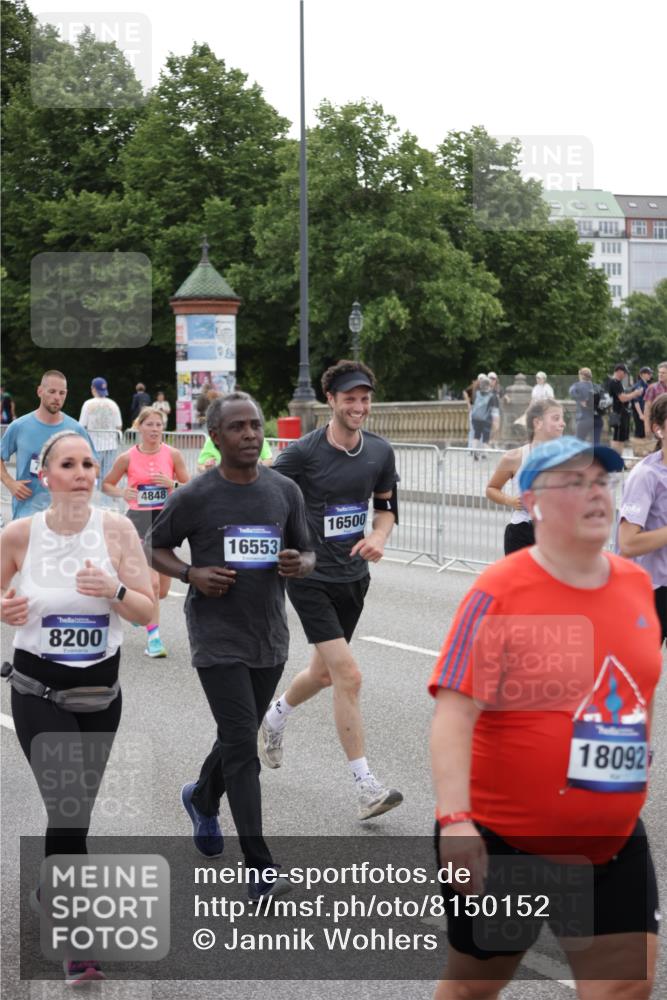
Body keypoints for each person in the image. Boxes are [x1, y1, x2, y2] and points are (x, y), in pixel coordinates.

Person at [430, 436, 661, 1000]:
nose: (595, 494)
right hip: (507, 843)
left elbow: (636, 688)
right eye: (574, 483)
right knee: (473, 989)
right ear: (531, 501)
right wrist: (456, 822)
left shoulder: (634, 585)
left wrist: (633, 763)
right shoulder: (499, 591)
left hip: (609, 841)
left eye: (601, 481)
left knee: (626, 986)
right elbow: (454, 713)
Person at [147, 392, 314, 899]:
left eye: (255, 426)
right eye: (237, 427)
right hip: (216, 638)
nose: (249, 434)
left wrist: (298, 565)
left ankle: (200, 797)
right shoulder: (195, 496)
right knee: (244, 749)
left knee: (236, 734)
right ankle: (260, 868)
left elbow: (308, 551)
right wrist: (191, 573)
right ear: (215, 438)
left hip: (269, 636)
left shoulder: (284, 491)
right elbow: (154, 547)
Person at [0, 430, 153, 985]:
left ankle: (50, 887)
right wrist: (5, 608)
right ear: (46, 476)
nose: (84, 472)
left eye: (90, 462)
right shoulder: (19, 535)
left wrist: (113, 590)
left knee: (76, 813)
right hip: (38, 693)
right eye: (70, 463)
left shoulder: (116, 531)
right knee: (68, 809)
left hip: (100, 696)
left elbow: (146, 612)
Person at [258, 360, 402, 820]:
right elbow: (264, 491)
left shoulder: (380, 452)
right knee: (348, 675)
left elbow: (386, 509)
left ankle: (275, 715)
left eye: (365, 399)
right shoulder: (303, 453)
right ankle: (365, 786)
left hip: (353, 577)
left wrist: (378, 537)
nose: (359, 407)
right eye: (350, 399)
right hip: (310, 577)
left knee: (322, 674)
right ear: (332, 401)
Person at [102, 408, 189, 657]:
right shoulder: (127, 457)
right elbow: (107, 484)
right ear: (139, 427)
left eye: (158, 425)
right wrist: (122, 492)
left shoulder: (173, 454)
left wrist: (171, 484)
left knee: (160, 590)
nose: (154, 429)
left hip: (165, 521)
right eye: (149, 424)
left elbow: (190, 487)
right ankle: (154, 640)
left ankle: (139, 609)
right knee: (150, 582)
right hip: (138, 521)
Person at [0, 370, 95, 520]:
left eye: (62, 393)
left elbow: (93, 465)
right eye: (52, 391)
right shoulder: (19, 426)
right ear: (40, 391)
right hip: (27, 515)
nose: (57, 397)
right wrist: (10, 483)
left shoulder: (76, 429)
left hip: (64, 517)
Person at [485, 398, 565, 553]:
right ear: (538, 423)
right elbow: (491, 489)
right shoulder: (514, 457)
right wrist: (510, 500)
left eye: (562, 419)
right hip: (521, 534)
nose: (563, 424)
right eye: (556, 418)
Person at [618, 392, 667, 646]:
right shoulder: (646, 475)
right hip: (654, 590)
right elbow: (627, 544)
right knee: (639, 676)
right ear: (658, 430)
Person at [78, 377, 123, 494]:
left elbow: (82, 426)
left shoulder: (88, 404)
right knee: (107, 477)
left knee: (89, 475)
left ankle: (90, 502)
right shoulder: (113, 404)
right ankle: (105, 505)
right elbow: (119, 426)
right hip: (111, 445)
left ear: (93, 388)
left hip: (94, 445)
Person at [606, 364, 643, 456]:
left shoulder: (617, 383)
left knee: (620, 438)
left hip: (620, 413)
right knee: (617, 438)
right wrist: (635, 393)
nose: (625, 375)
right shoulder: (614, 382)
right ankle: (616, 460)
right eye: (624, 372)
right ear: (619, 371)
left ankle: (619, 459)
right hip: (618, 413)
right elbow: (622, 398)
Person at [197, 433, 272, 472]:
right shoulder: (212, 440)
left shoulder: (255, 437)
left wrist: (259, 465)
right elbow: (200, 466)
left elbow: (269, 460)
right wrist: (206, 468)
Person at [568, 367, 603, 444]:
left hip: (584, 418)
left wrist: (580, 399)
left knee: (578, 443)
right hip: (597, 419)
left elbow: (571, 392)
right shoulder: (597, 386)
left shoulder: (577, 386)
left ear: (580, 375)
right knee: (596, 444)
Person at [469, 376, 498, 457]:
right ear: (489, 385)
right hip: (486, 419)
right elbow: (494, 410)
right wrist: (495, 421)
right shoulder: (491, 396)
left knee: (476, 435)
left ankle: (474, 451)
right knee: (486, 437)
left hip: (475, 418)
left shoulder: (476, 393)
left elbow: (473, 404)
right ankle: (485, 453)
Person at [643, 361, 667, 437]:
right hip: (657, 425)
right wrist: (647, 427)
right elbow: (647, 410)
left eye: (663, 373)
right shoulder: (652, 388)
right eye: (659, 372)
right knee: (659, 446)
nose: (660, 374)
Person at [630, 367, 653, 439]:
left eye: (650, 373)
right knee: (639, 433)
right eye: (648, 373)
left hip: (645, 413)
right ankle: (637, 450)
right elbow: (636, 401)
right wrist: (640, 414)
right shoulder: (639, 386)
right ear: (642, 375)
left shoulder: (646, 385)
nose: (650, 375)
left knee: (644, 434)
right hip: (640, 413)